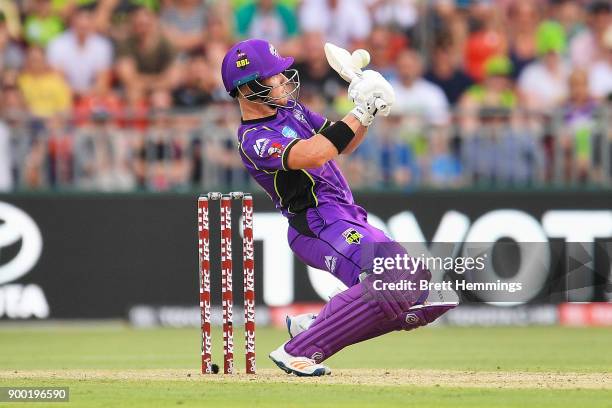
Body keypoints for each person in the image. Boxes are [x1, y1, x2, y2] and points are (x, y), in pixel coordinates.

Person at [221, 39, 456, 377]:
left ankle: (320, 324)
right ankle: (297, 350)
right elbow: (315, 153)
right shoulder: (253, 138)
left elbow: (341, 143)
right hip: (317, 224)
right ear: (248, 87)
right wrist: (357, 111)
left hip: (346, 215)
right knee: (396, 278)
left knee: (428, 292)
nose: (285, 79)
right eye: (275, 76)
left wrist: (368, 111)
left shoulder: (292, 111)